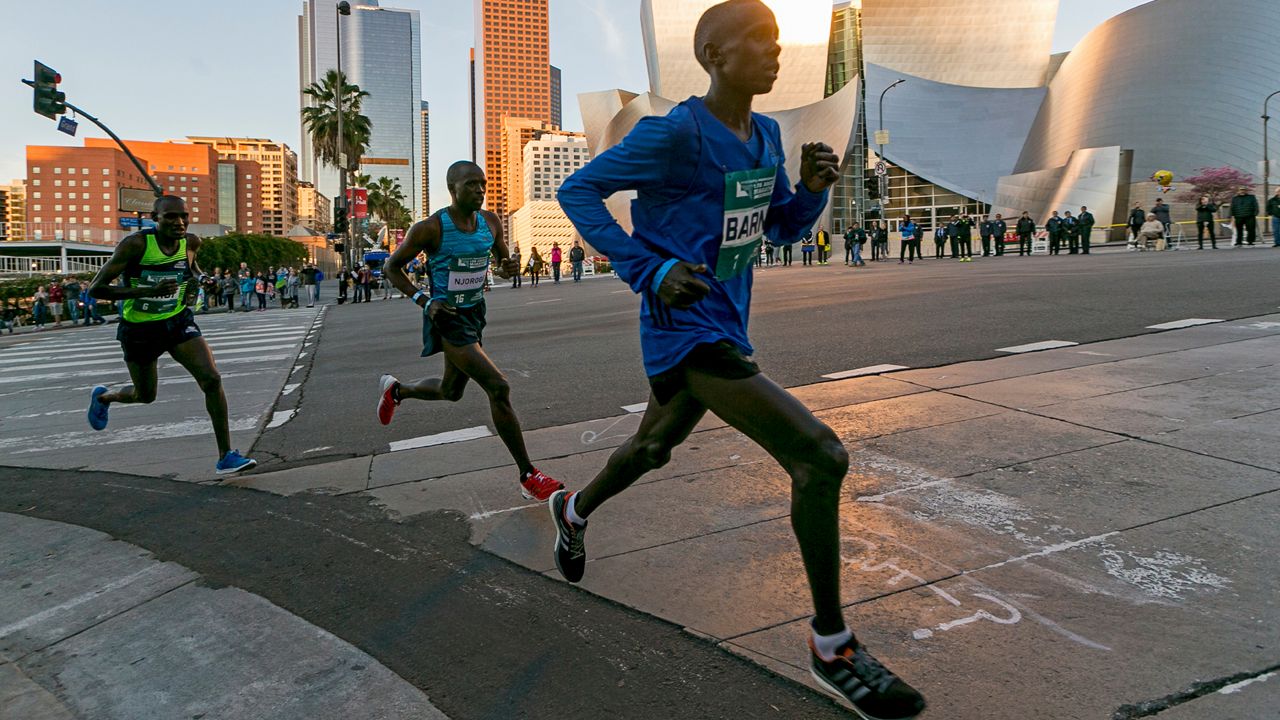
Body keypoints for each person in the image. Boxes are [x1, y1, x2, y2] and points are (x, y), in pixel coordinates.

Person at [559, 6, 929, 717]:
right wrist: (650, 268)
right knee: (819, 456)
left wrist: (814, 187)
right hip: (683, 329)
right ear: (712, 53)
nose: (775, 53)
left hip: (728, 322)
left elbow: (781, 227)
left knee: (652, 448)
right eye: (757, 43)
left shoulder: (764, 135)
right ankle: (832, 646)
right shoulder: (672, 134)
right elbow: (580, 190)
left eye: (778, 42)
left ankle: (572, 510)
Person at [377, 160, 564, 502]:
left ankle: (397, 391)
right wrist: (424, 300)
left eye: (483, 184)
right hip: (447, 317)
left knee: (451, 391)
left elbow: (506, 267)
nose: (480, 190)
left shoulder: (491, 222)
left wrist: (509, 267)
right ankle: (528, 474)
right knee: (498, 387)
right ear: (453, 189)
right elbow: (391, 266)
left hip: (475, 313)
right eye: (471, 185)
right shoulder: (430, 228)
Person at [84, 196, 255, 474]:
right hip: (139, 329)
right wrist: (147, 291)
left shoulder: (191, 242)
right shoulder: (136, 245)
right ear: (156, 218)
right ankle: (104, 397)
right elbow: (96, 289)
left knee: (211, 378)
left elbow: (190, 268)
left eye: (184, 216)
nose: (180, 222)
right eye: (171, 217)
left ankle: (226, 456)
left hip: (176, 321)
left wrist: (202, 279)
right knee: (145, 394)